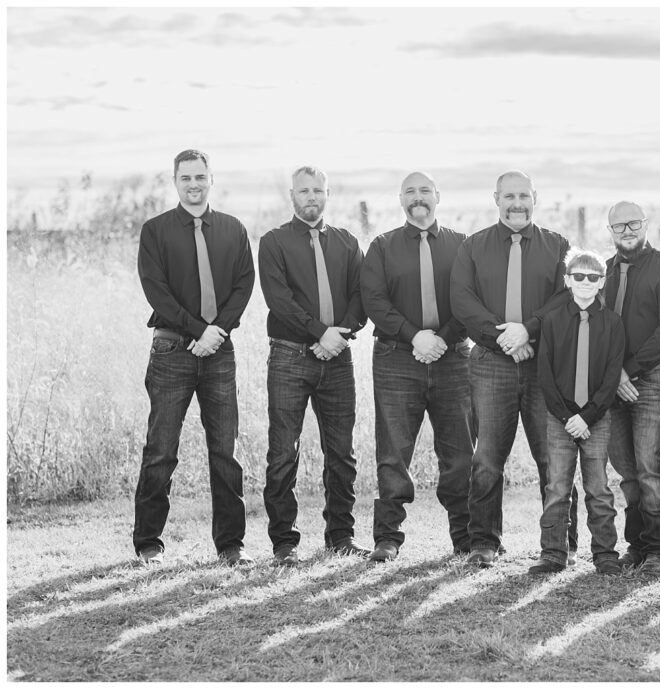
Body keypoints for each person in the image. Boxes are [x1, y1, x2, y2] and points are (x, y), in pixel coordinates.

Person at [450, 170, 578, 567]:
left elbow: (566, 299)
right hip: (490, 364)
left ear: (535, 197)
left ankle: (560, 544)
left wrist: (529, 331)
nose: (516, 203)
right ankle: (484, 542)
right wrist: (504, 338)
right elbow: (462, 300)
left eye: (523, 195)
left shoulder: (558, 246)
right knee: (487, 457)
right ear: (496, 199)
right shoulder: (473, 246)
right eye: (509, 196)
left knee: (552, 457)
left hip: (546, 367)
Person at [135, 149, 255, 566]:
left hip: (219, 350)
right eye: (186, 178)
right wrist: (196, 330)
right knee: (162, 449)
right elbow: (156, 291)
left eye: (200, 177)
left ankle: (231, 545)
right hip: (172, 349)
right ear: (175, 181)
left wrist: (216, 330)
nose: (193, 184)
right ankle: (148, 542)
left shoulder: (233, 229)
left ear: (210, 179)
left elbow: (244, 284)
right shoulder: (156, 231)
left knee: (226, 450)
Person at [360, 171, 474, 562]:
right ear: (401, 200)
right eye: (410, 191)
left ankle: (465, 536)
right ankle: (387, 538)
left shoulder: (462, 245)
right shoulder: (382, 246)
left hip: (453, 358)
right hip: (396, 359)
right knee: (393, 450)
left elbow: (468, 299)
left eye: (425, 190)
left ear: (438, 196)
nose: (418, 197)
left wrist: (441, 337)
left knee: (460, 451)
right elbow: (374, 301)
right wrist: (415, 337)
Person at [258, 166, 369, 566]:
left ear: (328, 194)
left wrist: (340, 334)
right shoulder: (273, 243)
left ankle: (340, 536)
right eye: (304, 191)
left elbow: (362, 296)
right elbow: (279, 301)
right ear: (292, 196)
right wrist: (320, 332)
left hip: (338, 357)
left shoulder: (346, 242)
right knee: (283, 452)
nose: (311, 197)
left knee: (341, 452)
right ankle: (284, 543)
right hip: (289, 355)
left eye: (318, 190)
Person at [603, 201, 660, 576]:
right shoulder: (603, 273)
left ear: (646, 225)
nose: (626, 231)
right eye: (618, 226)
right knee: (626, 471)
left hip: (651, 379)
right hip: (609, 385)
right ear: (611, 230)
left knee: (650, 466)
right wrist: (612, 375)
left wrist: (628, 371)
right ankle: (636, 546)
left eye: (633, 223)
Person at [530, 249, 625, 576]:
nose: (585, 282)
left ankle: (605, 554)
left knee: (598, 488)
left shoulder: (612, 323)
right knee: (557, 487)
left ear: (602, 283)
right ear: (568, 280)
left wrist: (588, 416)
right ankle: (553, 553)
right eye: (578, 276)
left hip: (596, 419)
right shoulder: (553, 321)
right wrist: (566, 415)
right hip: (560, 419)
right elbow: (545, 373)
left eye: (593, 277)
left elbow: (612, 376)